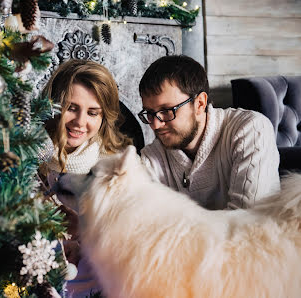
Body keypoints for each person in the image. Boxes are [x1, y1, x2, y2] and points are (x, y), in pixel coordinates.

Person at [38, 59, 131, 297]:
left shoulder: (118, 166)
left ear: (103, 117)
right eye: (71, 107)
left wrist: (83, 238)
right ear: (54, 107)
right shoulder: (28, 152)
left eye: (92, 112)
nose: (80, 122)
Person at [138, 55, 280, 210]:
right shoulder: (152, 157)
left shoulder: (251, 129)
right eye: (150, 113)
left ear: (200, 103)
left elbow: (248, 222)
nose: (156, 124)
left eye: (166, 110)